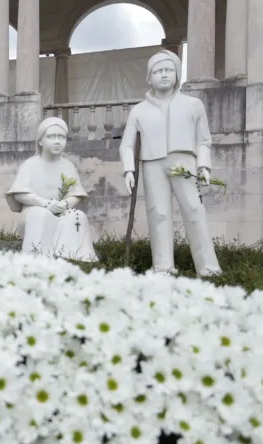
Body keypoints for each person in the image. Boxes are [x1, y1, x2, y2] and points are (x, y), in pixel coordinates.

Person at [119, 50, 221, 277]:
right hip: (152, 164)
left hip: (184, 161)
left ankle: (208, 265)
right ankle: (163, 265)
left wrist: (203, 165)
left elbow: (204, 139)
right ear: (149, 77)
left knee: (194, 209)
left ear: (177, 73)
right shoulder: (139, 110)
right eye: (157, 71)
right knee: (159, 213)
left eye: (168, 70)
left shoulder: (193, 105)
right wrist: (128, 168)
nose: (163, 75)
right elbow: (127, 145)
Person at [5, 117, 99, 262]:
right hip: (33, 214)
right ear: (40, 141)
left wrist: (65, 205)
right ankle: (34, 260)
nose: (57, 141)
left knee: (78, 216)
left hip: (61, 213)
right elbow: (19, 194)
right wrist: (45, 204)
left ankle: (74, 259)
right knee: (40, 214)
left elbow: (76, 194)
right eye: (51, 136)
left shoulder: (68, 166)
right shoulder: (30, 165)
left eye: (61, 137)